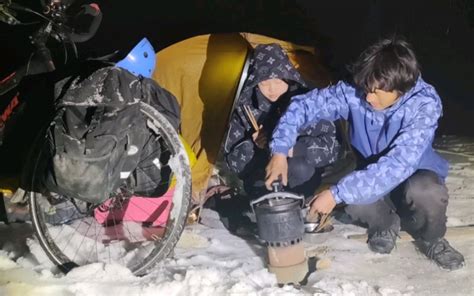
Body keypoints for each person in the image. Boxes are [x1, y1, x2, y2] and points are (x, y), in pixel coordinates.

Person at [264, 37, 465, 271]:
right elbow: (303, 106)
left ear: (401, 88)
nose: (368, 98)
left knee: (426, 193)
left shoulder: (424, 105)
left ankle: (432, 239)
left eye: (376, 92)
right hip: (370, 168)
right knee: (355, 202)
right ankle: (385, 223)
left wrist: (335, 194)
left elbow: (398, 164)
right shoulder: (356, 91)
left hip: (416, 172)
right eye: (366, 89)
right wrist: (279, 150)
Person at [223, 43, 340, 200]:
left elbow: (333, 149)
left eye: (278, 82)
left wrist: (296, 148)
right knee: (258, 182)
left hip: (300, 178)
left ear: (289, 78)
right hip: (262, 179)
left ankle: (300, 204)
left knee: (299, 167)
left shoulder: (306, 103)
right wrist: (253, 145)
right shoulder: (247, 108)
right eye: (264, 83)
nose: (271, 89)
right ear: (255, 82)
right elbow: (234, 163)